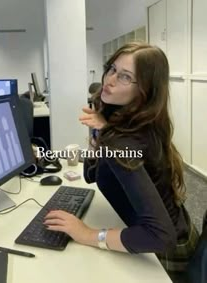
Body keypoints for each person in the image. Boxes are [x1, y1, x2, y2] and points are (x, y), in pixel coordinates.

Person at [43, 42, 199, 283]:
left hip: (167, 257)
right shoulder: (136, 123)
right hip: (179, 229)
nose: (109, 80)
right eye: (112, 69)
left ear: (145, 90)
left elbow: (160, 236)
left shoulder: (124, 143)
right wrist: (101, 131)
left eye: (125, 77)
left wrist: (87, 234)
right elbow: (92, 175)